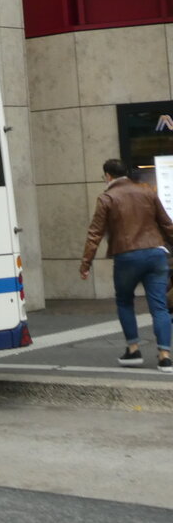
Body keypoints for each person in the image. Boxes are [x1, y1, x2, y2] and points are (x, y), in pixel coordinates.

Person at [80, 159, 173, 373]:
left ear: (108, 176)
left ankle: (133, 350)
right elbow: (167, 224)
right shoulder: (147, 192)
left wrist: (86, 264)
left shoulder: (107, 197)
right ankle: (165, 356)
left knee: (124, 301)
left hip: (127, 256)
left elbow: (95, 233)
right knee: (159, 306)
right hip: (155, 253)